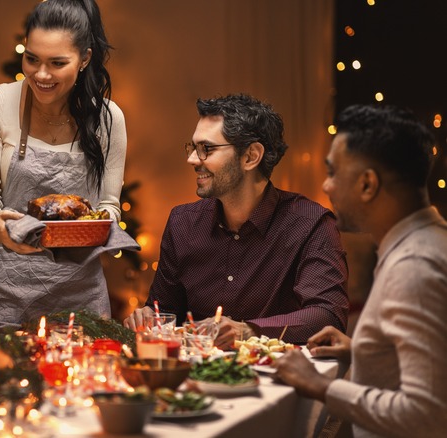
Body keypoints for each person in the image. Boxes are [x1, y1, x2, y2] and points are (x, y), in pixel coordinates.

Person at [273, 104, 447, 437]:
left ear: (368, 184)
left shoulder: (414, 267)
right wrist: (365, 350)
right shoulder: (429, 241)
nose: (326, 186)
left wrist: (321, 386)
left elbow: (428, 416)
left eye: (333, 172)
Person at [124, 94, 349, 349]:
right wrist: (149, 317)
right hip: (196, 378)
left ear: (251, 156)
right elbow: (164, 311)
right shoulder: (183, 223)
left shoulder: (310, 224)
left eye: (206, 149)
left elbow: (327, 316)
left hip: (279, 380)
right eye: (193, 147)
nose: (192, 160)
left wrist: (247, 330)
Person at [0, 0, 127, 330]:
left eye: (57, 63)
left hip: (81, 298)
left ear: (85, 59)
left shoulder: (108, 119)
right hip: (4, 292)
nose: (40, 74)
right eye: (32, 58)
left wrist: (95, 225)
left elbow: (109, 205)